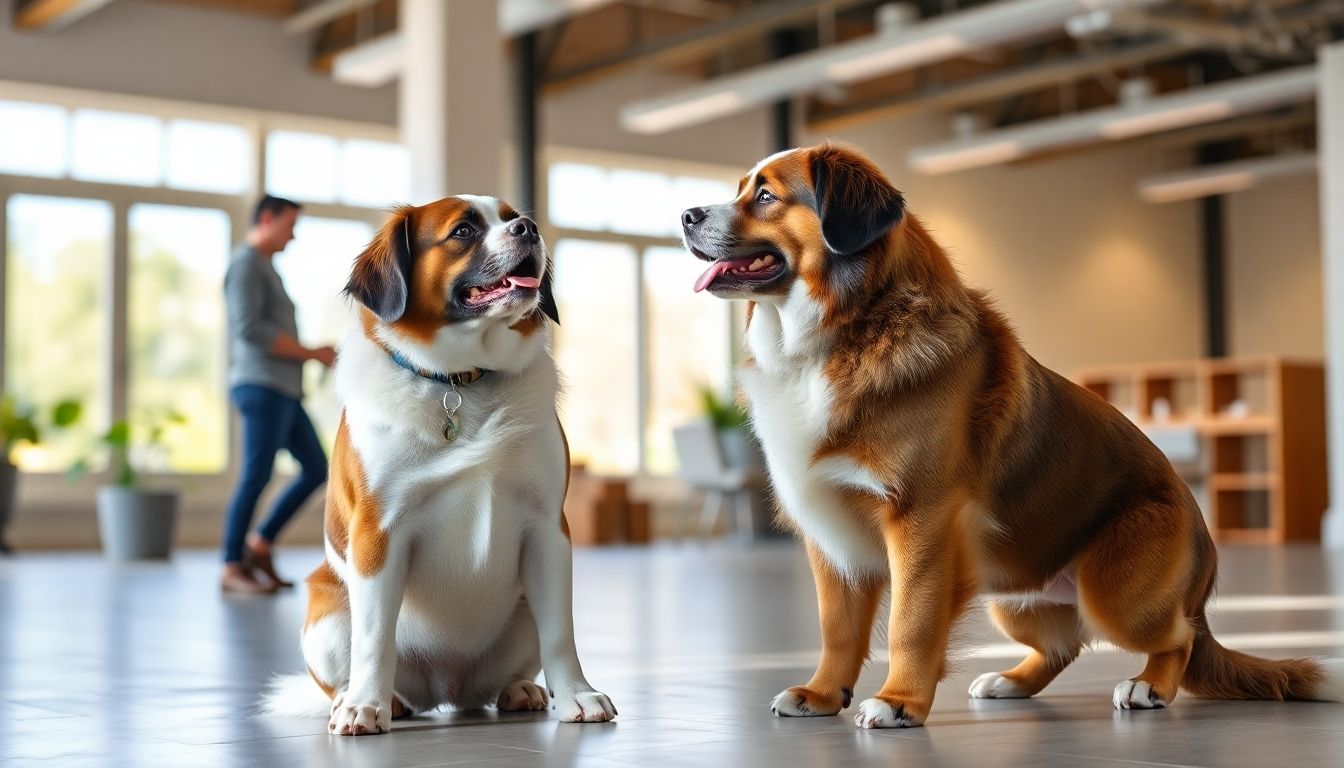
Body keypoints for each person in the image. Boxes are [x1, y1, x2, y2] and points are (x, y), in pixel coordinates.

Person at [220, 195, 335, 595]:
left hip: (283, 388)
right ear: (267, 219)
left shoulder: (266, 268)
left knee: (316, 467)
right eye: (290, 226)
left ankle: (260, 544)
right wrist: (312, 353)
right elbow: (250, 330)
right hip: (261, 386)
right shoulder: (246, 264)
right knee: (256, 475)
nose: (293, 236)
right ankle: (231, 564)